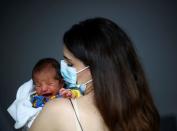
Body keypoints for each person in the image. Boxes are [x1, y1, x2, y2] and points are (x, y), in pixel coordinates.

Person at [29, 17, 160, 131]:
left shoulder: (57, 110)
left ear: (95, 68)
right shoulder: (145, 114)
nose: (63, 69)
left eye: (70, 64)